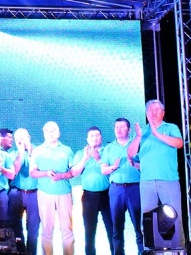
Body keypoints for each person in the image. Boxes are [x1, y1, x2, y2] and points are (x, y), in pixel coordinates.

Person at [127, 100, 184, 245]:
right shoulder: (142, 132)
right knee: (148, 219)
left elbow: (179, 143)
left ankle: (178, 249)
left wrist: (156, 134)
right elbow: (131, 153)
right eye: (150, 111)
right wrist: (138, 137)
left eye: (156, 110)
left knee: (174, 216)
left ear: (163, 113)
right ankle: (150, 250)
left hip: (169, 179)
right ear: (146, 114)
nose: (153, 113)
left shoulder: (170, 127)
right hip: (147, 182)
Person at [30, 121, 75, 255]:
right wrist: (45, 173)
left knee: (67, 230)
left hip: (64, 193)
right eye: (47, 131)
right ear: (43, 134)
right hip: (45, 194)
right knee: (47, 230)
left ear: (59, 133)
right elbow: (33, 173)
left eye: (53, 130)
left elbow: (72, 172)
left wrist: (62, 175)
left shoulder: (67, 150)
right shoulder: (37, 151)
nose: (50, 133)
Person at [101, 118, 143, 255]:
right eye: (116, 127)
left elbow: (146, 166)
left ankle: (143, 252)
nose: (118, 130)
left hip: (135, 188)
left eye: (122, 127)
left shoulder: (136, 144)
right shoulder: (109, 148)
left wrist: (134, 164)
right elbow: (103, 170)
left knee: (139, 226)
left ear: (129, 130)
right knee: (117, 228)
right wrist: (113, 167)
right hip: (116, 190)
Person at [71, 128, 114, 255]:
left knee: (112, 230)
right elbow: (74, 173)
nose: (95, 138)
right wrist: (85, 158)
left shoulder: (108, 151)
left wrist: (98, 158)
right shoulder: (81, 153)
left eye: (97, 135)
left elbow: (113, 170)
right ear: (87, 139)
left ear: (101, 137)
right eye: (91, 136)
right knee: (89, 232)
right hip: (89, 197)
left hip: (107, 195)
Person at [8, 128, 40, 255]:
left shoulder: (38, 151)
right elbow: (14, 171)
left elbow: (39, 167)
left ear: (29, 138)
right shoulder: (13, 154)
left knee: (33, 230)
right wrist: (21, 153)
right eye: (18, 139)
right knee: (15, 227)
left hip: (34, 193)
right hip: (16, 193)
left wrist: (30, 150)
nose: (21, 141)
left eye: (23, 138)